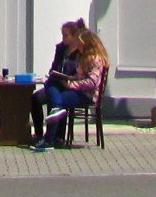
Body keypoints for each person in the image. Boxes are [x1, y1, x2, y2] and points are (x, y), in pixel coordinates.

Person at [30, 20, 107, 150]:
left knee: (55, 101)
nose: (78, 45)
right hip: (67, 85)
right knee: (51, 88)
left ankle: (50, 140)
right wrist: (66, 77)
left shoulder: (93, 59)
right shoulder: (69, 52)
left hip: (84, 93)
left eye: (66, 35)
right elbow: (76, 75)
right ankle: (46, 137)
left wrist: (71, 84)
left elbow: (92, 82)